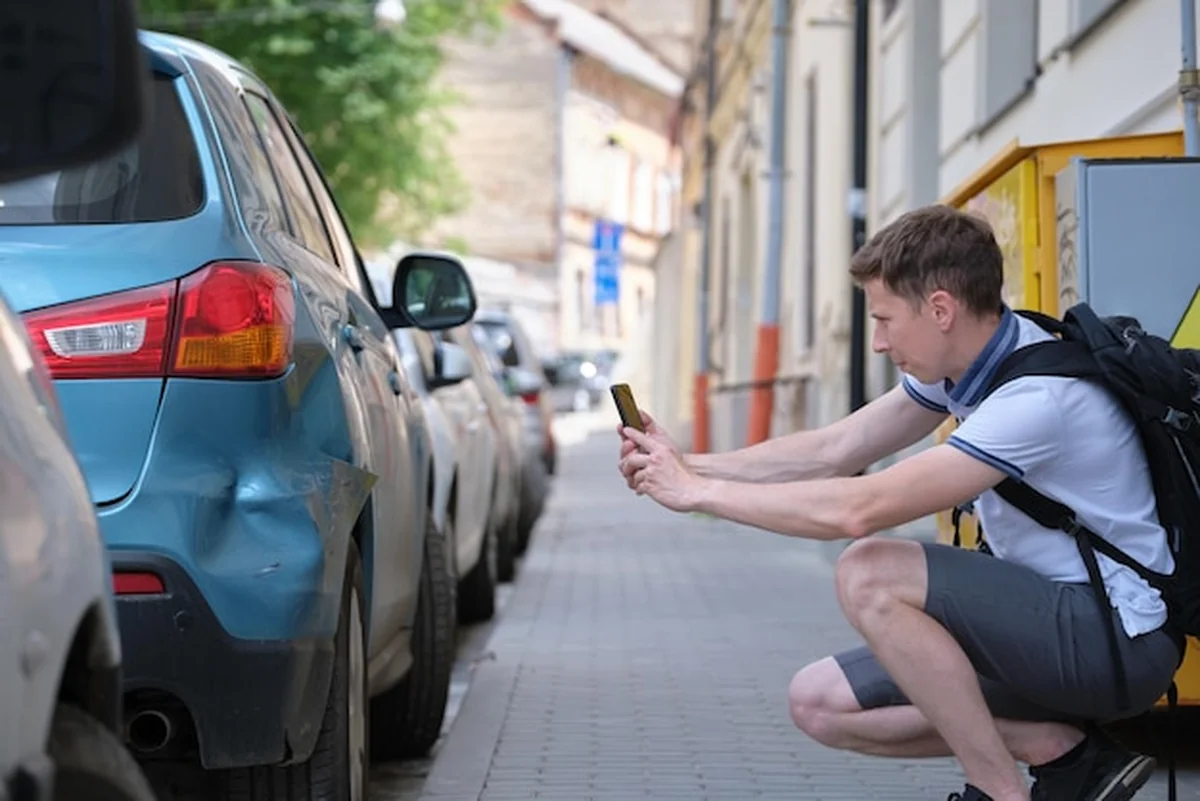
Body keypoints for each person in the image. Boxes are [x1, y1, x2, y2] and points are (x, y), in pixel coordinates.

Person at [616, 204, 1180, 801]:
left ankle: (998, 792)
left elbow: (858, 510)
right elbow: (836, 448)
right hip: (1042, 629)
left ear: (940, 310)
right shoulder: (970, 365)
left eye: (885, 320)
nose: (880, 342)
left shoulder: (1038, 400)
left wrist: (699, 494)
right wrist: (687, 463)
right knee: (820, 703)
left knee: (870, 572)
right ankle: (1062, 751)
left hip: (1113, 641)